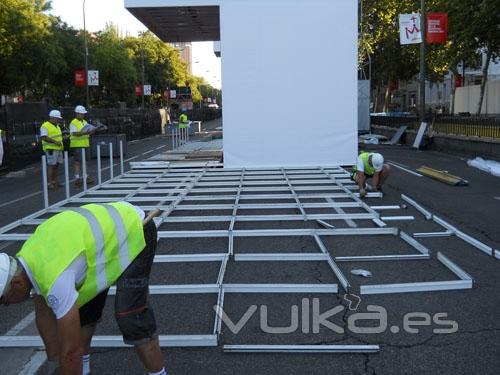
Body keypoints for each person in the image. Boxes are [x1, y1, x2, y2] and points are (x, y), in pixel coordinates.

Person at [0, 202, 166, 375]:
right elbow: (43, 313)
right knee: (83, 312)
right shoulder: (27, 258)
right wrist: (55, 365)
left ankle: (159, 373)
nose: (5, 305)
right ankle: (84, 370)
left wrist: (67, 363)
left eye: (3, 300)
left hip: (136, 228)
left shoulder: (55, 279)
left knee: (131, 314)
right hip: (98, 244)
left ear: (17, 284)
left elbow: (71, 352)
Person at [70, 105, 95, 186]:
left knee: (84, 161)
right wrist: (85, 132)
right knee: (77, 162)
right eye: (81, 113)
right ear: (77, 113)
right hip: (77, 145)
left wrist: (92, 131)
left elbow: (88, 131)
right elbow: (74, 133)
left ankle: (85, 176)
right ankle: (77, 178)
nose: (83, 115)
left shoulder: (84, 122)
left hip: (85, 144)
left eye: (83, 114)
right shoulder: (73, 122)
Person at [40, 110, 64, 189]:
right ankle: (50, 183)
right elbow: (44, 137)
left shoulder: (56, 125)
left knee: (56, 165)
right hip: (51, 149)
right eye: (57, 118)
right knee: (51, 165)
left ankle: (55, 181)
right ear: (52, 118)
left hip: (58, 148)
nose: (58, 120)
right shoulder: (45, 126)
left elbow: (57, 136)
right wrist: (55, 142)